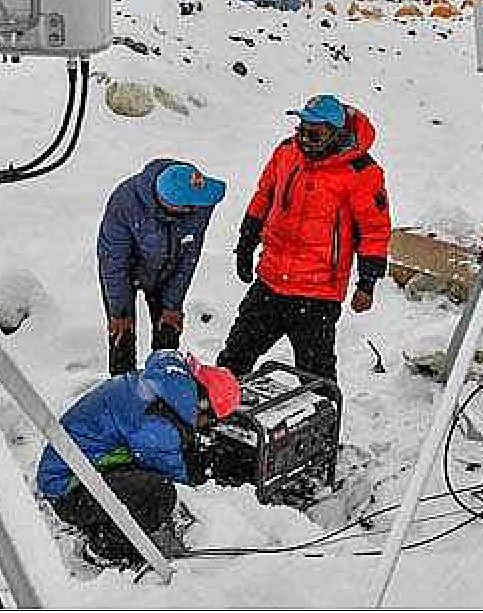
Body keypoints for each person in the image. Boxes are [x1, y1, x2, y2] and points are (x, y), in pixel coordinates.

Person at [217, 95, 392, 384]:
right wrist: (246, 243)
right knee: (232, 361)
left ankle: (324, 427)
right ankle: (215, 420)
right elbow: (264, 196)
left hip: (317, 293)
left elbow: (374, 230)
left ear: (335, 133)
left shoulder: (361, 172)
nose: (304, 138)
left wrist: (367, 283)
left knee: (316, 377)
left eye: (314, 132)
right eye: (301, 128)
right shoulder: (287, 152)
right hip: (271, 281)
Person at [35, 350, 241, 565]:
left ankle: (107, 522)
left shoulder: (164, 386)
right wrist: (203, 483)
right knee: (158, 493)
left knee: (147, 481)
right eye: (211, 420)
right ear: (204, 403)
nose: (208, 426)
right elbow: (173, 475)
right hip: (66, 488)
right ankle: (105, 549)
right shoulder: (159, 422)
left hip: (76, 464)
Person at [98, 159, 226, 376]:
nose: (200, 208)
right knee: (122, 333)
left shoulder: (201, 201)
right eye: (192, 206)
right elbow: (113, 262)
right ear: (173, 207)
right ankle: (123, 386)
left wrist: (172, 305)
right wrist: (119, 311)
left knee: (169, 330)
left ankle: (164, 384)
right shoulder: (125, 203)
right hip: (125, 270)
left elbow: (189, 255)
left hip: (170, 268)